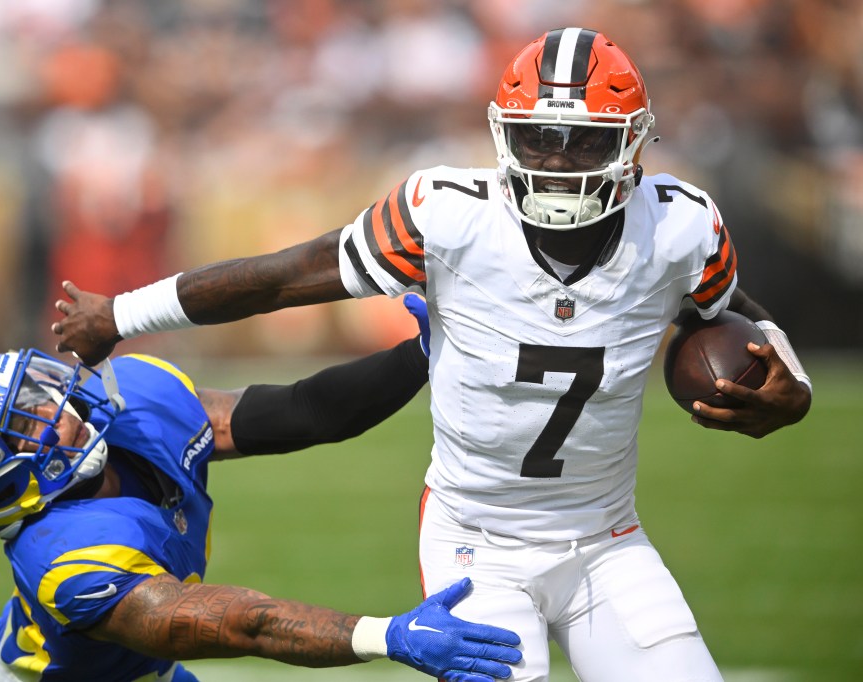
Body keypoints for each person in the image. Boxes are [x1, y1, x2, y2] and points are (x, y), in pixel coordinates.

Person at [51, 27, 813, 681]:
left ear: (633, 141)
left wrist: (792, 382)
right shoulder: (447, 214)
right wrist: (120, 312)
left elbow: (727, 309)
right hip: (476, 543)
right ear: (502, 133)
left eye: (583, 138)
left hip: (609, 540)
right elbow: (283, 277)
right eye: (538, 137)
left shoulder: (680, 226)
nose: (557, 160)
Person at [0, 330, 523, 681]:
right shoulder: (66, 557)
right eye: (26, 421)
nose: (54, 406)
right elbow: (240, 623)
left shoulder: (129, 405)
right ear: (0, 483)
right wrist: (384, 635)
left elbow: (306, 412)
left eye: (34, 391)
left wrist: (429, 346)